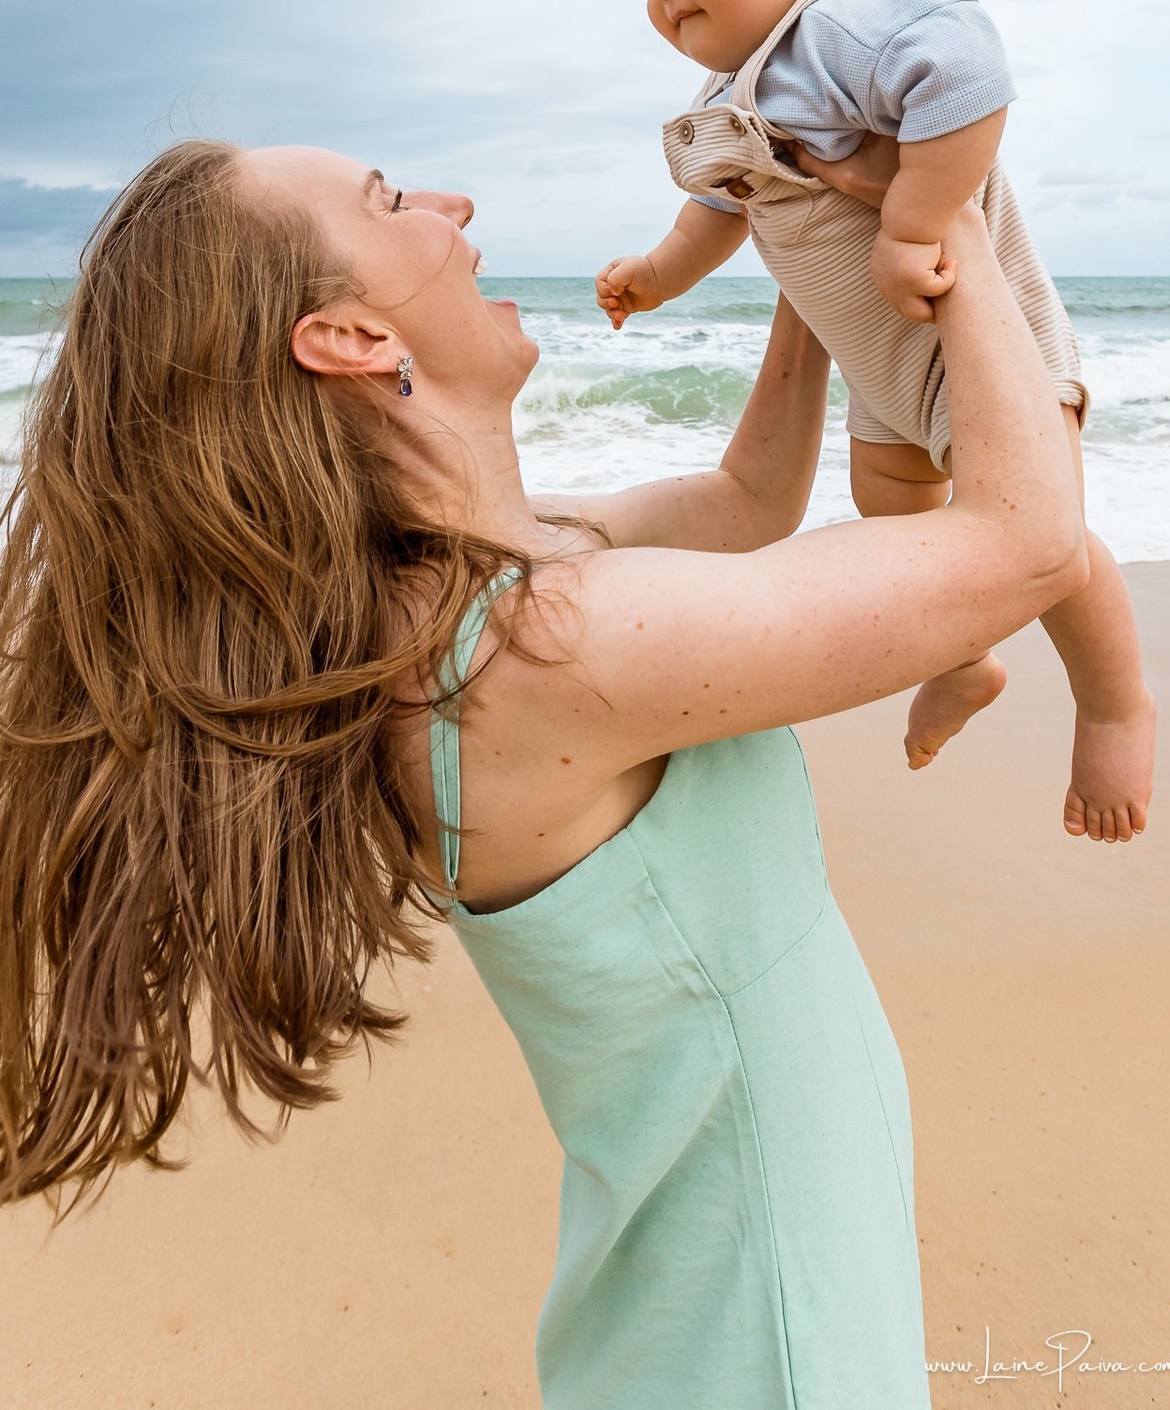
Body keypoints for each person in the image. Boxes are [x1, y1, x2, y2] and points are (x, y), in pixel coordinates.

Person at [1, 138, 1087, 1407]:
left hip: (693, 1315)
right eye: (391, 200)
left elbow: (747, 498)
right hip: (760, 1342)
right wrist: (945, 221)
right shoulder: (532, 650)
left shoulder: (463, 590)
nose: (454, 205)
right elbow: (1025, 542)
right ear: (348, 336)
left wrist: (810, 252)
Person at [594, 0, 1155, 842]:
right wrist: (659, 276)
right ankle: (961, 661)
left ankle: (1115, 706)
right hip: (884, 378)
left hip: (984, 353)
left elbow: (970, 76)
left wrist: (913, 220)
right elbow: (713, 214)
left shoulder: (842, 32)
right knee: (899, 522)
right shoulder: (729, 103)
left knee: (1051, 539)